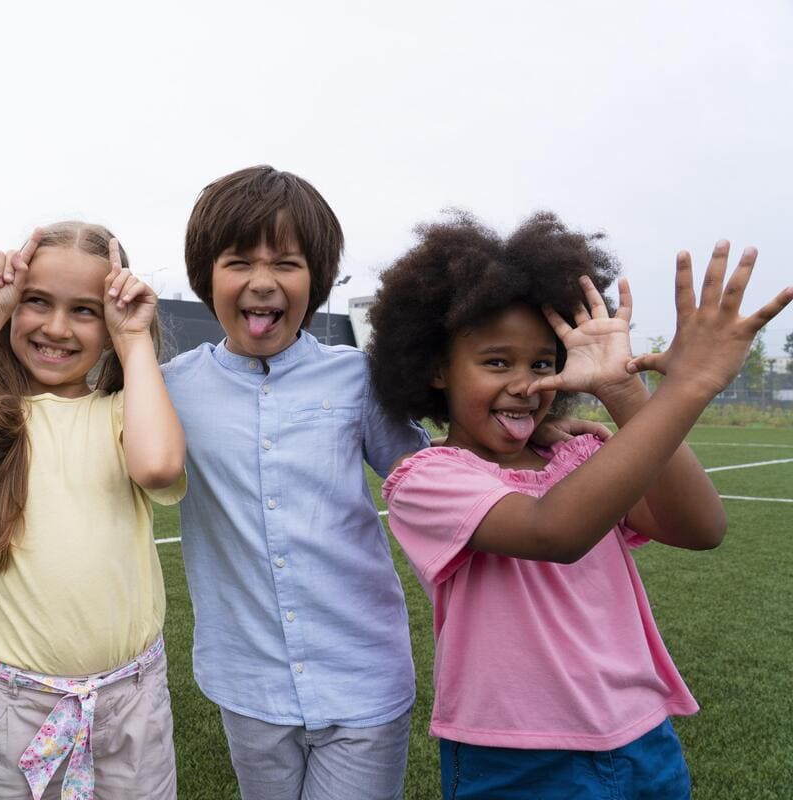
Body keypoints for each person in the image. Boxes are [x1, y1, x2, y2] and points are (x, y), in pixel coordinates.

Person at [161, 167, 602, 800]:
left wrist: (530, 434)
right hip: (245, 679)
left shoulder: (357, 379)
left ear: (316, 277)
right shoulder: (172, 388)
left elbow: (440, 470)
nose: (262, 282)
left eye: (286, 262)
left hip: (362, 676)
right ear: (207, 275)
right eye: (238, 262)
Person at [371, 211, 792, 799]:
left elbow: (701, 527)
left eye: (543, 363)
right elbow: (554, 533)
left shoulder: (582, 454)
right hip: (515, 754)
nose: (525, 384)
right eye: (497, 362)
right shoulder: (428, 479)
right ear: (436, 368)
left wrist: (623, 390)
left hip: (642, 735)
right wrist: (688, 386)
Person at [0, 221, 186, 800]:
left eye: (85, 311)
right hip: (13, 705)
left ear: (108, 325)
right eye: (36, 302)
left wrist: (135, 341)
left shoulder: (121, 415)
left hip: (131, 699)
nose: (56, 328)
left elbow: (158, 466)